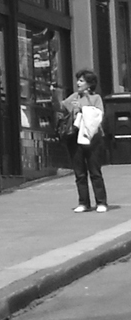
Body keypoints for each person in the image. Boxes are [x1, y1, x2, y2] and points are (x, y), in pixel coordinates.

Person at [61, 69, 108, 213]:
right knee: (79, 172)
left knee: (95, 171)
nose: (78, 83)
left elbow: (98, 115)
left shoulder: (96, 98)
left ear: (89, 84)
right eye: (78, 80)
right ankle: (83, 202)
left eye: (81, 81)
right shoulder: (74, 97)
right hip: (75, 136)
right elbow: (62, 107)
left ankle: (101, 202)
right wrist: (54, 96)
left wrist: (81, 107)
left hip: (92, 138)